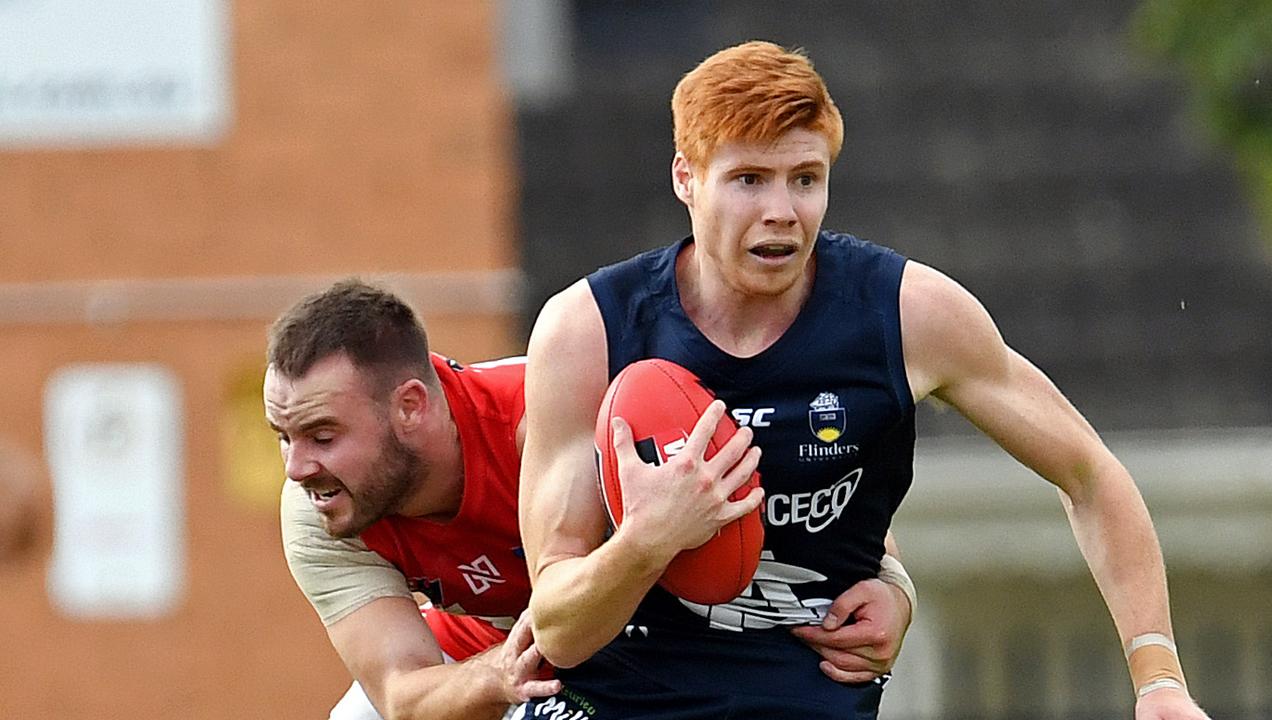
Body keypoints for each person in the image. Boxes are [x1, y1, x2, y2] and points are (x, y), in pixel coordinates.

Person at [517, 41, 1210, 719]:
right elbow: (559, 630)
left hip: (804, 695)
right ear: (685, 179)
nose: (782, 212)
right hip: (614, 702)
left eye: (806, 179)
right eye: (749, 179)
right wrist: (649, 539)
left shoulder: (907, 314)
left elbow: (1090, 474)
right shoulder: (589, 332)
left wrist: (1159, 680)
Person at [268, 280, 916, 720]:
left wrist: (890, 581)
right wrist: (500, 677)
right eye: (284, 438)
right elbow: (401, 694)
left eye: (323, 435)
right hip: (486, 666)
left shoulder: (567, 412)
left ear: (410, 406)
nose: (298, 468)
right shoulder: (320, 507)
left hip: (637, 652)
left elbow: (759, 467)